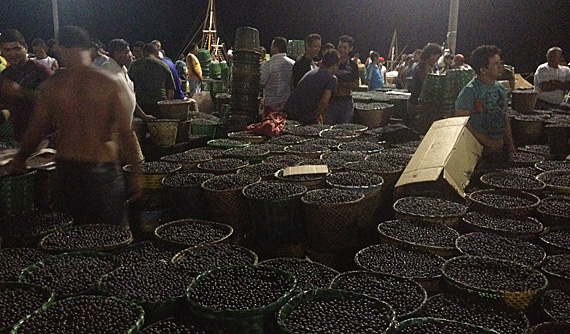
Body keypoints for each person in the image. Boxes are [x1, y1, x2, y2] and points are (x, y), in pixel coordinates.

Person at [11, 26, 142, 227]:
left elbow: (35, 131)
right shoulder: (110, 83)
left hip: (67, 172)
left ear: (60, 48)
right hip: (103, 172)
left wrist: (20, 159)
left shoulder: (53, 86)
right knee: (112, 236)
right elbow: (127, 133)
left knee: (73, 239)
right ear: (89, 49)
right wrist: (136, 172)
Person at [455, 45, 515, 159]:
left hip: (498, 147)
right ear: (483, 70)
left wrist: (510, 144)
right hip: (477, 151)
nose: (500, 67)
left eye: (500, 62)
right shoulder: (470, 91)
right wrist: (487, 141)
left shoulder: (500, 88)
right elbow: (461, 122)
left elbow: (504, 117)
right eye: (495, 64)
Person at [0, 29, 53, 144]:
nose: (12, 54)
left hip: (46, 139)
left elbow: (53, 101)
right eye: (7, 50)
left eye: (16, 48)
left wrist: (20, 91)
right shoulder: (5, 74)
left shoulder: (41, 71)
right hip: (20, 137)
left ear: (25, 48)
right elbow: (6, 104)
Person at [284, 50, 339, 124]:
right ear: (335, 65)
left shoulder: (312, 71)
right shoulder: (332, 78)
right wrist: (316, 116)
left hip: (290, 110)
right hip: (303, 115)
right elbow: (324, 102)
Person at [128, 43, 175, 117]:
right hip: (160, 103)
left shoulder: (134, 65)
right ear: (156, 53)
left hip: (141, 104)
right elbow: (171, 90)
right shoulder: (163, 65)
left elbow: (129, 86)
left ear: (143, 52)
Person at [324, 35, 359, 125]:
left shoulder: (353, 65)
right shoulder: (330, 62)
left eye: (345, 48)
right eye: (340, 47)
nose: (342, 50)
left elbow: (356, 85)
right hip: (331, 101)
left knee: (344, 128)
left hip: (346, 102)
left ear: (350, 49)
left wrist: (339, 82)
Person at [407, 43, 442, 125]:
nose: (436, 61)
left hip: (415, 103)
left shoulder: (423, 66)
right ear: (431, 55)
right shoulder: (423, 67)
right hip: (417, 105)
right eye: (437, 58)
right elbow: (427, 86)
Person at [260, 37, 295, 117]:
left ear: (275, 49)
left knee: (270, 127)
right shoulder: (292, 63)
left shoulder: (269, 64)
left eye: (272, 47)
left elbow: (261, 82)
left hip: (271, 105)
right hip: (286, 104)